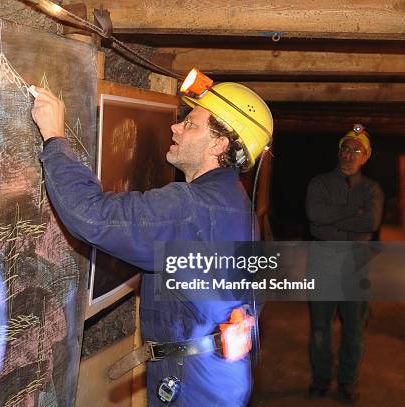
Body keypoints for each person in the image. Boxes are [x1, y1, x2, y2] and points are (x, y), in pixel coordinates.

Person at [31, 81, 273, 406]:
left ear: (218, 145)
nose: (175, 127)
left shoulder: (190, 206)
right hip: (220, 375)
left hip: (193, 382)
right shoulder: (235, 200)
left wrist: (54, 137)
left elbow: (91, 216)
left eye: (190, 124)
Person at [305, 125, 384, 402]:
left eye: (357, 150)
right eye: (346, 148)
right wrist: (353, 211)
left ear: (366, 157)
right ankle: (321, 379)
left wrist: (331, 218)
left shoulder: (372, 189)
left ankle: (348, 382)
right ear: (339, 152)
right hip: (323, 261)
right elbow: (315, 214)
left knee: (354, 330)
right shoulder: (320, 183)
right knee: (319, 327)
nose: (349, 155)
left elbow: (370, 222)